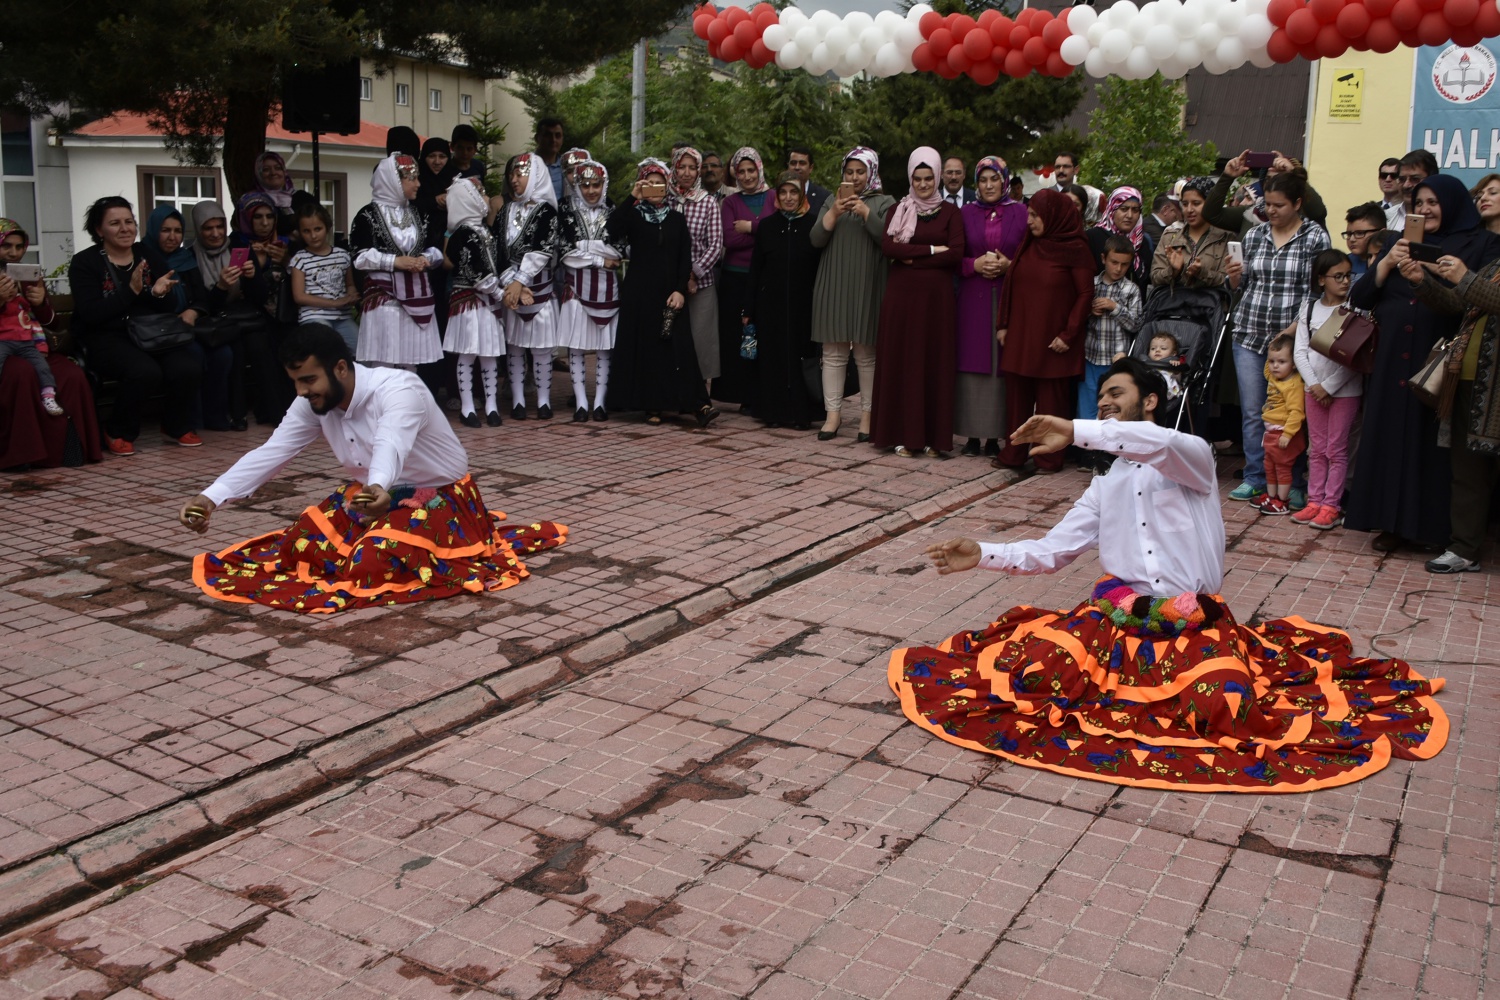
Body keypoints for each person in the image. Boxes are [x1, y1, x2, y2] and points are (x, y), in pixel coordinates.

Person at [891, 358, 1449, 792]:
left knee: (1223, 713)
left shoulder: (1192, 458)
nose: (1105, 402)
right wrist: (982, 552)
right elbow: (1052, 552)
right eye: (1100, 395)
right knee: (1030, 679)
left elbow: (1160, 443)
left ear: (1151, 401)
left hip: (1194, 627)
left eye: (1118, 393)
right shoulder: (1103, 485)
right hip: (1113, 625)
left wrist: (1080, 429)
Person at [178, 324, 566, 613]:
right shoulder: (312, 402)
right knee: (301, 544)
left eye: (309, 379)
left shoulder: (399, 389)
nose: (301, 391)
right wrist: (210, 498)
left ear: (341, 368)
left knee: (371, 562)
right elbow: (273, 452)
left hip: (437, 495)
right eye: (295, 381)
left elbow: (390, 441)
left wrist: (380, 486)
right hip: (370, 495)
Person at [1346, 174, 1500, 553]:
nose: (1425, 210)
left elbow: (1472, 300)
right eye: (1419, 203)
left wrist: (1436, 275)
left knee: (1433, 447)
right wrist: (1385, 267)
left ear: (1452, 203)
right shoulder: (1401, 240)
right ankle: (1390, 522)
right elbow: (1361, 297)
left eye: (1434, 202)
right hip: (1392, 358)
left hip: (1441, 359)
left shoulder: (1481, 243)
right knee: (1390, 439)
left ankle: (1432, 530)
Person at [1226, 170, 1330, 505]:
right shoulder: (1255, 236)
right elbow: (1243, 287)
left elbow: (1318, 291)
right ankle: (1256, 476)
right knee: (1255, 411)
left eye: (1279, 205)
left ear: (1298, 203)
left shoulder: (1315, 237)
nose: (1271, 210)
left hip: (1293, 341)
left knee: (1292, 413)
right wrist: (1233, 279)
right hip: (1250, 332)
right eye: (1267, 204)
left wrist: (1294, 329)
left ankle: (1293, 480)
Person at [69, 196, 202, 454]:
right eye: (115, 223)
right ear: (99, 230)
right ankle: (118, 430)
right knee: (144, 371)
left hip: (148, 333)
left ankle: (175, 426)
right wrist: (131, 291)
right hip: (106, 336)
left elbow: (165, 306)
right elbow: (91, 314)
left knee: (187, 365)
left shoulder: (146, 254)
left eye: (129, 222)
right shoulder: (85, 262)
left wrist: (160, 294)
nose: (125, 228)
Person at [1408, 235, 1500, 573]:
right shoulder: (1495, 266)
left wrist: (1465, 277)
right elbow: (1460, 305)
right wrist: (1423, 281)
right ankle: (1464, 549)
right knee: (1466, 470)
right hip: (1469, 384)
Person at [869, 146, 964, 457]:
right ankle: (902, 436)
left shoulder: (951, 212)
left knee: (932, 363)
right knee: (902, 361)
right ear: (911, 178)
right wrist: (933, 250)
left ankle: (935, 440)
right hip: (902, 299)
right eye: (918, 178)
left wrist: (916, 256)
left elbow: (956, 253)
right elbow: (889, 248)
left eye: (928, 178)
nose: (923, 184)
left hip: (936, 301)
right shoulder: (899, 209)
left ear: (937, 178)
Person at [607, 159, 716, 427]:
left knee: (680, 350)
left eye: (659, 182)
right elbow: (612, 231)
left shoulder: (676, 218)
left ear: (668, 185)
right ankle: (651, 406)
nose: (655, 187)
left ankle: (699, 405)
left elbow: (683, 258)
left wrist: (680, 290)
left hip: (670, 295)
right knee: (648, 351)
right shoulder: (633, 216)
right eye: (649, 182)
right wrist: (632, 197)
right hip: (640, 296)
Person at [995, 189, 1096, 473]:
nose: (1029, 221)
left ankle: (1048, 458)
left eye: (1035, 215)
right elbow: (1012, 282)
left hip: (1055, 341)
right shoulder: (1030, 243)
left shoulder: (1076, 249)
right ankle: (1013, 454)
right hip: (1022, 335)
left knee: (1052, 402)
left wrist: (1069, 334)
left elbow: (1085, 294)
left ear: (1053, 216)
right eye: (1029, 214)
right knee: (1017, 399)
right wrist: (1003, 323)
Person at [0, 218, 103, 468]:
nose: (14, 253)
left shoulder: (26, 275)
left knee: (71, 374)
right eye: (7, 246)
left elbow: (52, 324)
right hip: (5, 348)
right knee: (21, 374)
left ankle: (68, 452)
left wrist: (40, 302)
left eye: (19, 246)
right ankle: (23, 457)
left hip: (30, 345)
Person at [808, 147, 895, 443]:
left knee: (866, 354)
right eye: (850, 172)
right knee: (832, 353)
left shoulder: (885, 202)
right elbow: (816, 239)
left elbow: (889, 240)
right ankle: (833, 415)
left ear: (871, 172)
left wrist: (865, 212)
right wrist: (834, 211)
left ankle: (867, 415)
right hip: (833, 283)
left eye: (860, 172)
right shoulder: (832, 200)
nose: (855, 177)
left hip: (868, 285)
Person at [955, 156, 1027, 458]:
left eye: (994, 179)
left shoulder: (1021, 212)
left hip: (1008, 297)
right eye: (983, 180)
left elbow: (1029, 254)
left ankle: (996, 437)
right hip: (973, 297)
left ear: (1004, 181)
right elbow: (953, 256)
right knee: (973, 364)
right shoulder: (965, 213)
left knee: (1001, 365)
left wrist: (1009, 266)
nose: (988, 186)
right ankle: (972, 435)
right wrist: (975, 264)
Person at [143, 205, 234, 432]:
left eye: (177, 231)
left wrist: (193, 312)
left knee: (223, 353)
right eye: (165, 230)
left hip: (190, 325)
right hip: (162, 330)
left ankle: (215, 416)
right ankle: (189, 421)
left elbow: (201, 298)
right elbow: (143, 302)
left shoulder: (185, 258)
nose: (172, 237)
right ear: (155, 230)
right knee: (193, 354)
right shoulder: (143, 258)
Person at [352, 154, 445, 372]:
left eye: (417, 178)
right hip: (384, 298)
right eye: (412, 178)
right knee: (383, 359)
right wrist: (395, 262)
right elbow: (359, 256)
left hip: (417, 295)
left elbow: (436, 249)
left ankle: (408, 403)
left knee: (410, 359)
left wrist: (426, 259)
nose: (418, 184)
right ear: (393, 180)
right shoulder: (367, 215)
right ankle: (382, 406)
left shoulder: (417, 212)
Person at [1292, 249, 1361, 530]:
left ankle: (1332, 504)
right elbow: (1300, 351)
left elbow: (1353, 357)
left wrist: (1329, 387)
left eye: (1348, 275)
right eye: (1338, 276)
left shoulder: (1356, 310)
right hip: (1313, 391)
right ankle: (1314, 500)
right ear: (1321, 279)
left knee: (1337, 448)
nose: (1345, 281)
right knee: (1317, 448)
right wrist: (1314, 385)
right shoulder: (1309, 308)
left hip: (1344, 392)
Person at [746, 171, 819, 429]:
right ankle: (773, 412)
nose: (788, 198)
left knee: (801, 358)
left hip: (803, 305)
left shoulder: (813, 225)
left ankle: (801, 414)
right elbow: (756, 269)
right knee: (772, 358)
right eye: (784, 192)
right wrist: (749, 307)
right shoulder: (767, 226)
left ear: (802, 195)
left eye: (794, 192)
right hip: (770, 305)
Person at [493, 151, 562, 420]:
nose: (513, 180)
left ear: (534, 176)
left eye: (519, 174)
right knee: (515, 347)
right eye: (511, 174)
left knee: (542, 348)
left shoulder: (546, 211)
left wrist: (520, 281)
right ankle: (519, 400)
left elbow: (542, 250)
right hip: (512, 289)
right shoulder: (505, 211)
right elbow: (498, 251)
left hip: (541, 291)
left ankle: (544, 400)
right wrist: (513, 284)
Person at [557, 160, 620, 422]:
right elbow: (564, 252)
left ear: (604, 184)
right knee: (577, 347)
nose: (591, 190)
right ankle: (581, 402)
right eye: (585, 185)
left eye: (597, 184)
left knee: (605, 348)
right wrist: (598, 257)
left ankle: (600, 401)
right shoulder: (566, 212)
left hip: (609, 290)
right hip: (576, 289)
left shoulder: (615, 211)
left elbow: (620, 251)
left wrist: (584, 247)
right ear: (577, 185)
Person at [442, 176, 506, 427]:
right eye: (481, 194)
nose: (486, 199)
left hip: (487, 300)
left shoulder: (486, 231)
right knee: (467, 354)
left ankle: (491, 404)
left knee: (489, 353)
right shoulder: (461, 234)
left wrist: (511, 283)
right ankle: (467, 406)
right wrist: (500, 293)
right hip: (469, 300)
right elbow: (475, 271)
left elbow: (499, 264)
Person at [717, 147, 777, 408]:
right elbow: (729, 239)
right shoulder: (730, 202)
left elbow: (774, 236)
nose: (747, 176)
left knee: (763, 335)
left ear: (759, 169)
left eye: (751, 170)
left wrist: (750, 227)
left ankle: (760, 394)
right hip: (735, 278)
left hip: (764, 278)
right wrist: (761, 234)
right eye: (741, 171)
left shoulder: (775, 196)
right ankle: (737, 395)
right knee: (735, 337)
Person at [668, 147, 724, 388]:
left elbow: (715, 245)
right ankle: (671, 391)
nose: (687, 173)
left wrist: (692, 274)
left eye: (693, 167)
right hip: (670, 283)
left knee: (701, 340)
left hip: (700, 284)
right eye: (682, 167)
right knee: (670, 338)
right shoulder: (665, 200)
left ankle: (698, 395)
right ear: (674, 168)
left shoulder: (708, 202)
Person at [1080, 235, 1143, 430]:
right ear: (1103, 258)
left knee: (1115, 406)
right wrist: (1090, 312)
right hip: (1090, 356)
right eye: (1114, 262)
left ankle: (1109, 449)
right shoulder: (1091, 285)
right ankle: (1088, 449)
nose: (1118, 269)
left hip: (1116, 360)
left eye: (1124, 265)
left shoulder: (1131, 289)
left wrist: (1115, 307)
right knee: (1088, 404)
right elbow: (1076, 318)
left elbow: (1136, 324)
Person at [290, 203, 360, 352]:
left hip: (342, 316)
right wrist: (334, 303)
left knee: (361, 350)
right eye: (306, 231)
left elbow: (350, 284)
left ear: (327, 227)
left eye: (318, 229)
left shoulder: (342, 255)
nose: (313, 236)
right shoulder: (300, 259)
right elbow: (299, 296)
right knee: (325, 347)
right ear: (300, 233)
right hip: (313, 316)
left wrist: (352, 295)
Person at [1207, 150, 1328, 235]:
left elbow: (1318, 211)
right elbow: (1211, 214)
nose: (1275, 185)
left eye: (1282, 179)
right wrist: (1227, 177)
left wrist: (1293, 172)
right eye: (1269, 179)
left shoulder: (1306, 215)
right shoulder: (1252, 213)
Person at [1255, 333, 1305, 516]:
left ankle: (1282, 502)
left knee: (1282, 468)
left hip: (1283, 433)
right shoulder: (1274, 377)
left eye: (1282, 361)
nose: (1275, 366)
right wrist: (1272, 349)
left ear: (1293, 364)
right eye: (1272, 361)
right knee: (1269, 465)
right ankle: (1272, 496)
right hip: (1271, 432)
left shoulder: (1293, 384)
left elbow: (1297, 412)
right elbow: (1268, 369)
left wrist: (1288, 434)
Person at [1150, 176, 1230, 289]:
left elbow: (1230, 282)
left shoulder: (1225, 238)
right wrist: (1173, 271)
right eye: (1185, 204)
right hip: (1173, 304)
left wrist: (1202, 273)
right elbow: (1155, 278)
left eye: (1196, 203)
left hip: (1210, 305)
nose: (1189, 210)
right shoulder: (1170, 237)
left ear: (1210, 205)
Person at [1088, 186, 1153, 292]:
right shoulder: (1093, 237)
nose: (1130, 215)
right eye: (1124, 209)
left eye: (1135, 210)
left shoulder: (1142, 241)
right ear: (1112, 210)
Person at [1389, 149, 1438, 233]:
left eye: (1415, 179)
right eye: (1402, 179)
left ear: (1432, 179)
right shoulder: (1388, 216)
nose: (1406, 185)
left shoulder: (1439, 219)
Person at [252, 151, 297, 237]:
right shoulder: (252, 201)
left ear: (284, 171)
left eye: (278, 168)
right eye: (266, 169)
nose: (273, 173)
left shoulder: (302, 197)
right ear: (258, 173)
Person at [1341, 202, 1388, 280]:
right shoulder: (1343, 264)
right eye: (1349, 234)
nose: (1352, 239)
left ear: (1381, 233)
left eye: (1359, 233)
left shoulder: (1389, 263)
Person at [1051, 151, 1100, 224]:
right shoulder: (1046, 195)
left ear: (1076, 170)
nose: (1061, 170)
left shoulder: (1087, 195)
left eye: (1066, 166)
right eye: (1057, 167)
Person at [787, 146, 830, 216]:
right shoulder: (777, 195)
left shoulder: (824, 197)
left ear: (810, 168)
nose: (797, 167)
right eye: (793, 163)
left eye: (802, 163)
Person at [535, 118, 567, 200]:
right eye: (548, 135)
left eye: (558, 135)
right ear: (537, 138)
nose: (553, 140)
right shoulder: (524, 165)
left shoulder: (568, 167)